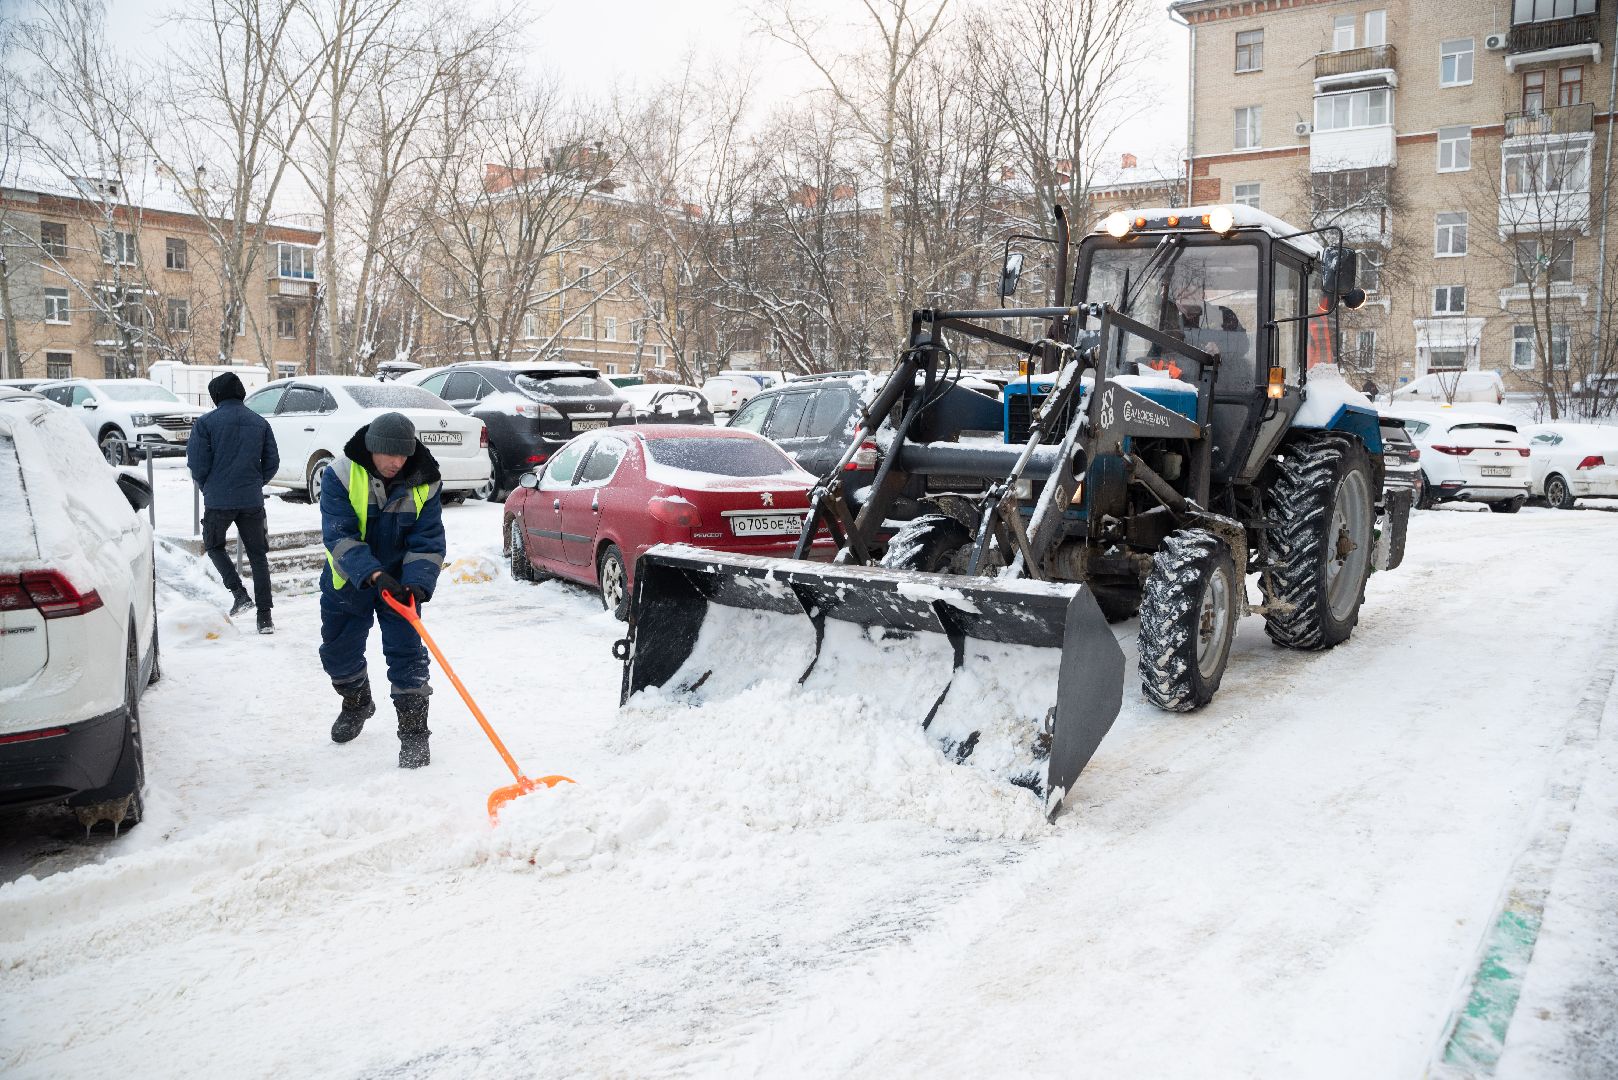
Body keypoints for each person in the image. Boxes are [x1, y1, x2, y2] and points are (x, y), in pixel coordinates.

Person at [319, 411, 446, 768]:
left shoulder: (425, 481)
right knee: (338, 655)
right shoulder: (340, 475)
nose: (396, 462)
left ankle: (414, 735)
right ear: (372, 448)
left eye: (403, 454)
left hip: (401, 584)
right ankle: (357, 702)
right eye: (389, 454)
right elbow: (339, 535)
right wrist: (373, 574)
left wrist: (417, 583)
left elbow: (428, 539)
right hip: (349, 580)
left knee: (408, 655)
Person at [186, 372, 279, 634]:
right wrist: (255, 483)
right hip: (251, 500)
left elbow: (197, 463)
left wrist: (208, 486)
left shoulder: (205, 423)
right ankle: (265, 618)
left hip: (218, 501)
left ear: (216, 395)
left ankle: (239, 594)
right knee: (258, 556)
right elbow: (272, 462)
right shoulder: (259, 422)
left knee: (214, 546)